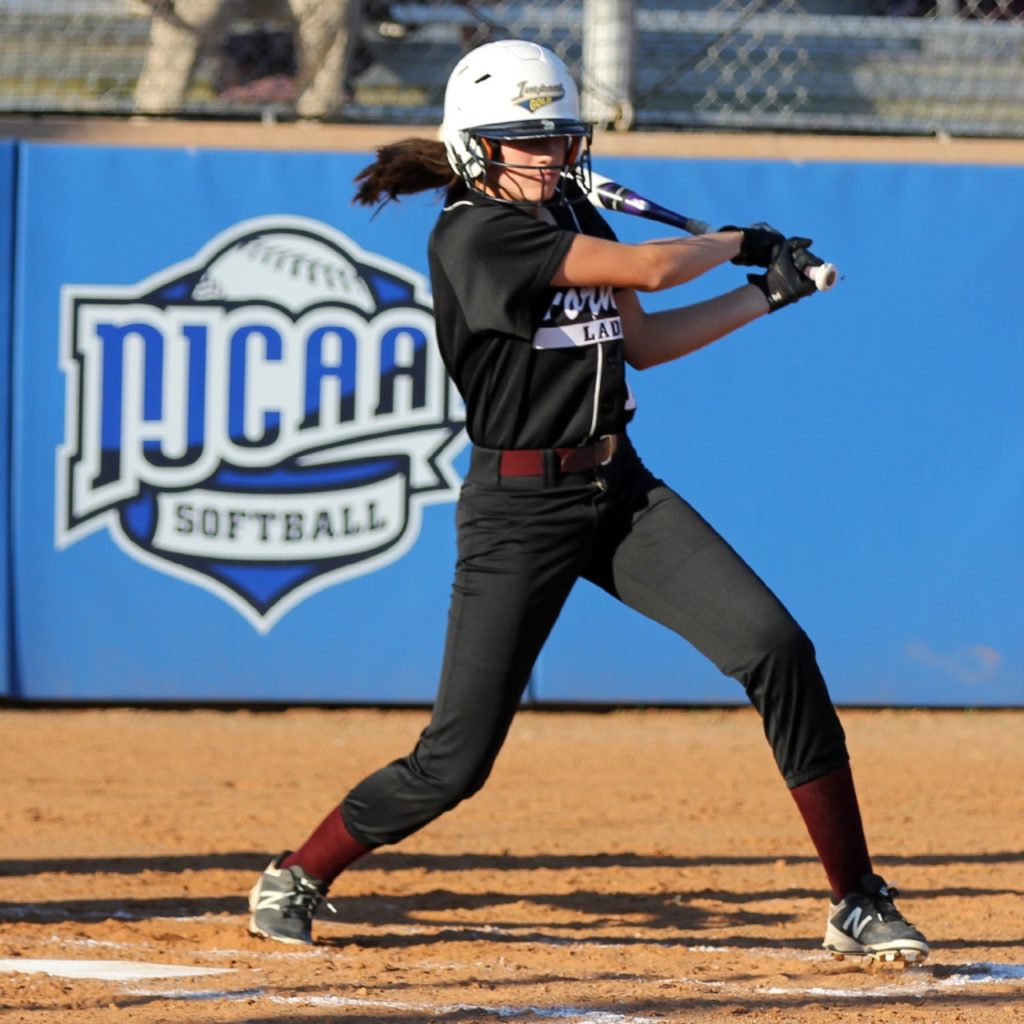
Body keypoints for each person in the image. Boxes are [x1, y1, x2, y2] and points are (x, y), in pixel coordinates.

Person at [247, 38, 930, 965]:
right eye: (526, 141)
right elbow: (650, 271)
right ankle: (299, 871)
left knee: (777, 648)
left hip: (619, 489)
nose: (550, 156)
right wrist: (736, 241)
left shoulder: (568, 206)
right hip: (518, 509)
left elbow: (642, 340)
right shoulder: (475, 235)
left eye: (559, 137)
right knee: (454, 763)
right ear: (475, 145)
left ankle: (856, 899)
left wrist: (765, 295)